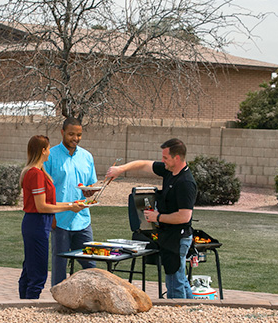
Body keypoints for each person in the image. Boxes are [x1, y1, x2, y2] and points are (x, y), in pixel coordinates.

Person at [106, 138, 195, 299]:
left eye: (165, 157)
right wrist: (120, 169)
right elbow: (143, 164)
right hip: (168, 236)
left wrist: (157, 217)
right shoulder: (169, 171)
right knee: (180, 279)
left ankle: (176, 309)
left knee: (175, 282)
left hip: (179, 238)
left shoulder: (185, 182)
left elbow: (184, 216)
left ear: (176, 158)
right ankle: (192, 308)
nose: (162, 160)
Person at [19, 135, 86, 299]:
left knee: (30, 268)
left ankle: (22, 304)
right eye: (48, 148)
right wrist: (70, 207)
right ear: (43, 150)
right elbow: (42, 206)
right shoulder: (35, 174)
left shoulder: (38, 172)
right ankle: (29, 306)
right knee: (38, 273)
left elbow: (49, 203)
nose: (50, 152)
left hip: (37, 224)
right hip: (37, 224)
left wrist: (72, 204)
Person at [44, 117, 99, 287]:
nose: (75, 138)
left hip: (83, 220)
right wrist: (51, 217)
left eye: (79, 135)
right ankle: (57, 298)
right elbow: (45, 190)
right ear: (62, 132)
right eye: (71, 134)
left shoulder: (87, 157)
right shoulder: (50, 156)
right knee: (59, 266)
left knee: (91, 265)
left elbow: (90, 185)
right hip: (60, 221)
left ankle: (90, 296)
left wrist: (90, 191)